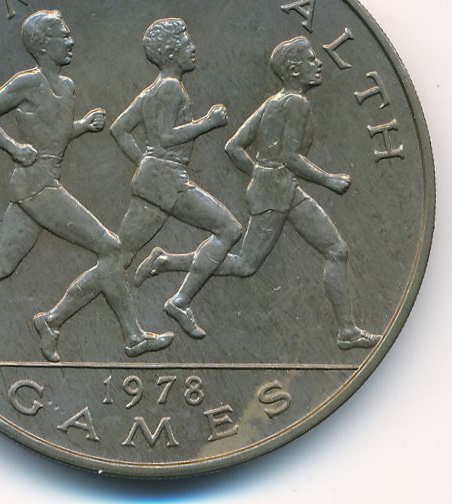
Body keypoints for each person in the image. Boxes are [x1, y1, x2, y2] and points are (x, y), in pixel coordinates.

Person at [0, 9, 173, 361]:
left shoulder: (67, 87)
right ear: (43, 46)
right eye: (63, 36)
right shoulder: (27, 83)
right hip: (36, 186)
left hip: (40, 183)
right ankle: (128, 336)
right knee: (111, 248)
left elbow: (53, 135)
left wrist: (81, 127)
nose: (71, 41)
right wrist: (13, 147)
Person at [134, 36, 380, 350]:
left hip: (279, 188)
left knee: (335, 250)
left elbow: (234, 147)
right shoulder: (297, 103)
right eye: (310, 60)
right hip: (277, 191)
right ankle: (170, 272)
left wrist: (261, 175)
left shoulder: (273, 103)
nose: (318, 64)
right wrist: (328, 180)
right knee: (246, 265)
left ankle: (346, 331)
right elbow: (290, 157)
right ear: (294, 70)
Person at [110, 18, 242, 339]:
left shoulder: (152, 90)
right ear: (171, 52)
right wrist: (208, 122)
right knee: (228, 229)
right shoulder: (170, 88)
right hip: (168, 180)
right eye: (186, 43)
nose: (192, 48)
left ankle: (55, 318)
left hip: (156, 179)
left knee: (118, 258)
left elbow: (119, 129)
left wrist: (145, 163)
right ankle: (180, 301)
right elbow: (166, 137)